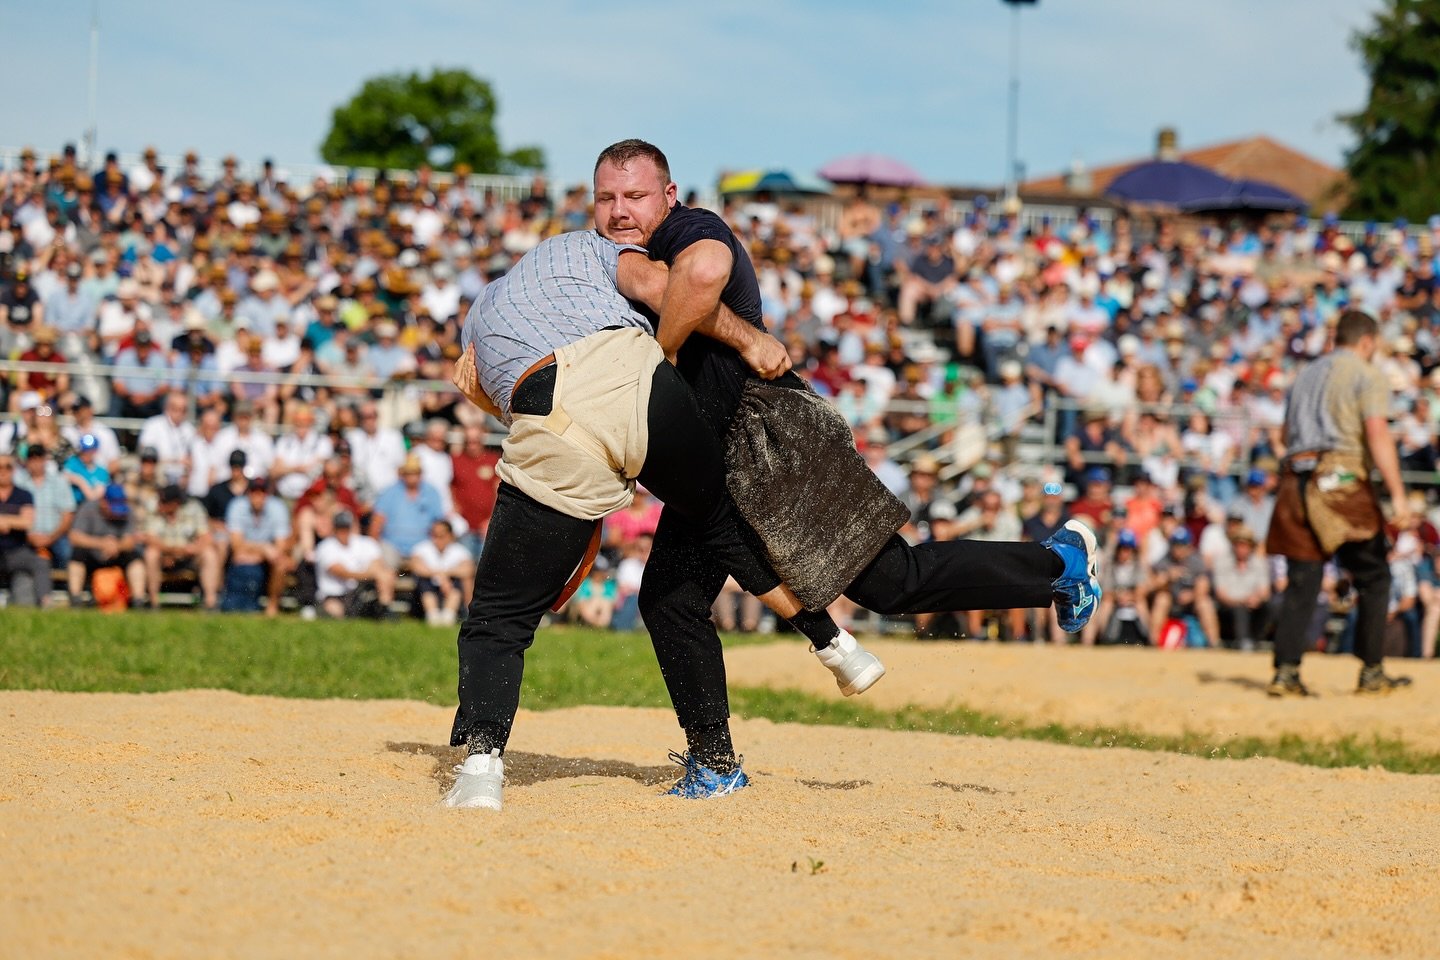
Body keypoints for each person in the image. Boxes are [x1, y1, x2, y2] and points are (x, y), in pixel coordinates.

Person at [584, 139, 1100, 797]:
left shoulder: (691, 229)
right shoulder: (622, 258)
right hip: (713, 464)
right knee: (669, 599)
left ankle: (1059, 564)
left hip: (775, 441)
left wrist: (661, 361)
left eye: (635, 195)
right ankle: (714, 762)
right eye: (608, 198)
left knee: (893, 584)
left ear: (669, 195)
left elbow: (707, 270)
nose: (621, 209)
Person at [443, 226, 869, 811]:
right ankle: (836, 644)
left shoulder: (478, 327)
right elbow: (664, 283)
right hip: (642, 384)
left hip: (554, 410)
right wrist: (742, 341)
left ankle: (481, 769)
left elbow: (515, 406)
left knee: (500, 617)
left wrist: (480, 396)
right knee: (717, 520)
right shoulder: (574, 249)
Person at [1266, 309, 1414, 696]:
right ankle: (1371, 671)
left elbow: (1283, 435)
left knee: (1304, 580)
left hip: (1294, 480)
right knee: (1375, 575)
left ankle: (1285, 673)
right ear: (1367, 342)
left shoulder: (1305, 375)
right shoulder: (1367, 375)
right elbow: (1377, 432)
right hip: (1341, 478)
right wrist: (1397, 494)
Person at [140, 484, 221, 610]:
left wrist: (194, 549)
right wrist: (170, 551)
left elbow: (206, 537)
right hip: (164, 556)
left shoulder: (194, 508)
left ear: (175, 503)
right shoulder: (153, 507)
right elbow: (149, 538)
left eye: (164, 502)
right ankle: (153, 603)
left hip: (190, 557)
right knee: (151, 553)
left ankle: (211, 603)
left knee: (210, 554)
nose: (160, 505)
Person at [67, 482, 145, 608]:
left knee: (135, 559)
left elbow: (130, 541)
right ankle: (75, 599)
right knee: (77, 555)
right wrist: (101, 543)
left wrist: (116, 546)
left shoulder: (128, 511)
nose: (116, 513)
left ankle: (138, 601)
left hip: (117, 555)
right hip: (92, 556)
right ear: (103, 502)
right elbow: (74, 537)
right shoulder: (88, 508)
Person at [313, 510, 395, 620]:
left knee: (385, 575)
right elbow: (341, 572)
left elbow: (377, 564)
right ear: (334, 528)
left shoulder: (365, 543)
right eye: (340, 528)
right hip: (334, 595)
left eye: (346, 527)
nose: (343, 531)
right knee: (335, 613)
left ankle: (385, 609)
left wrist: (373, 573)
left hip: (359, 592)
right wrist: (369, 574)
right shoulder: (325, 547)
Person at [0, 451, 48, 607]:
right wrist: (14, 520)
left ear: (13, 470)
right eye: (0, 467)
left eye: (7, 467)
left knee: (40, 562)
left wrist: (5, 520)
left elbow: (27, 522)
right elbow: (21, 520)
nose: (3, 471)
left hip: (16, 550)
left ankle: (46, 604)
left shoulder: (23, 494)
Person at [409, 518, 473, 627]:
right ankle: (433, 616)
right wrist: (442, 577)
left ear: (450, 535)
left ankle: (448, 616)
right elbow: (416, 567)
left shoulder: (459, 550)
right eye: (434, 534)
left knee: (458, 584)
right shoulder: (422, 548)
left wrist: (445, 575)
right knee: (424, 583)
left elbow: (468, 569)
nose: (437, 539)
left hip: (450, 588)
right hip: (428, 587)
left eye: (441, 535)